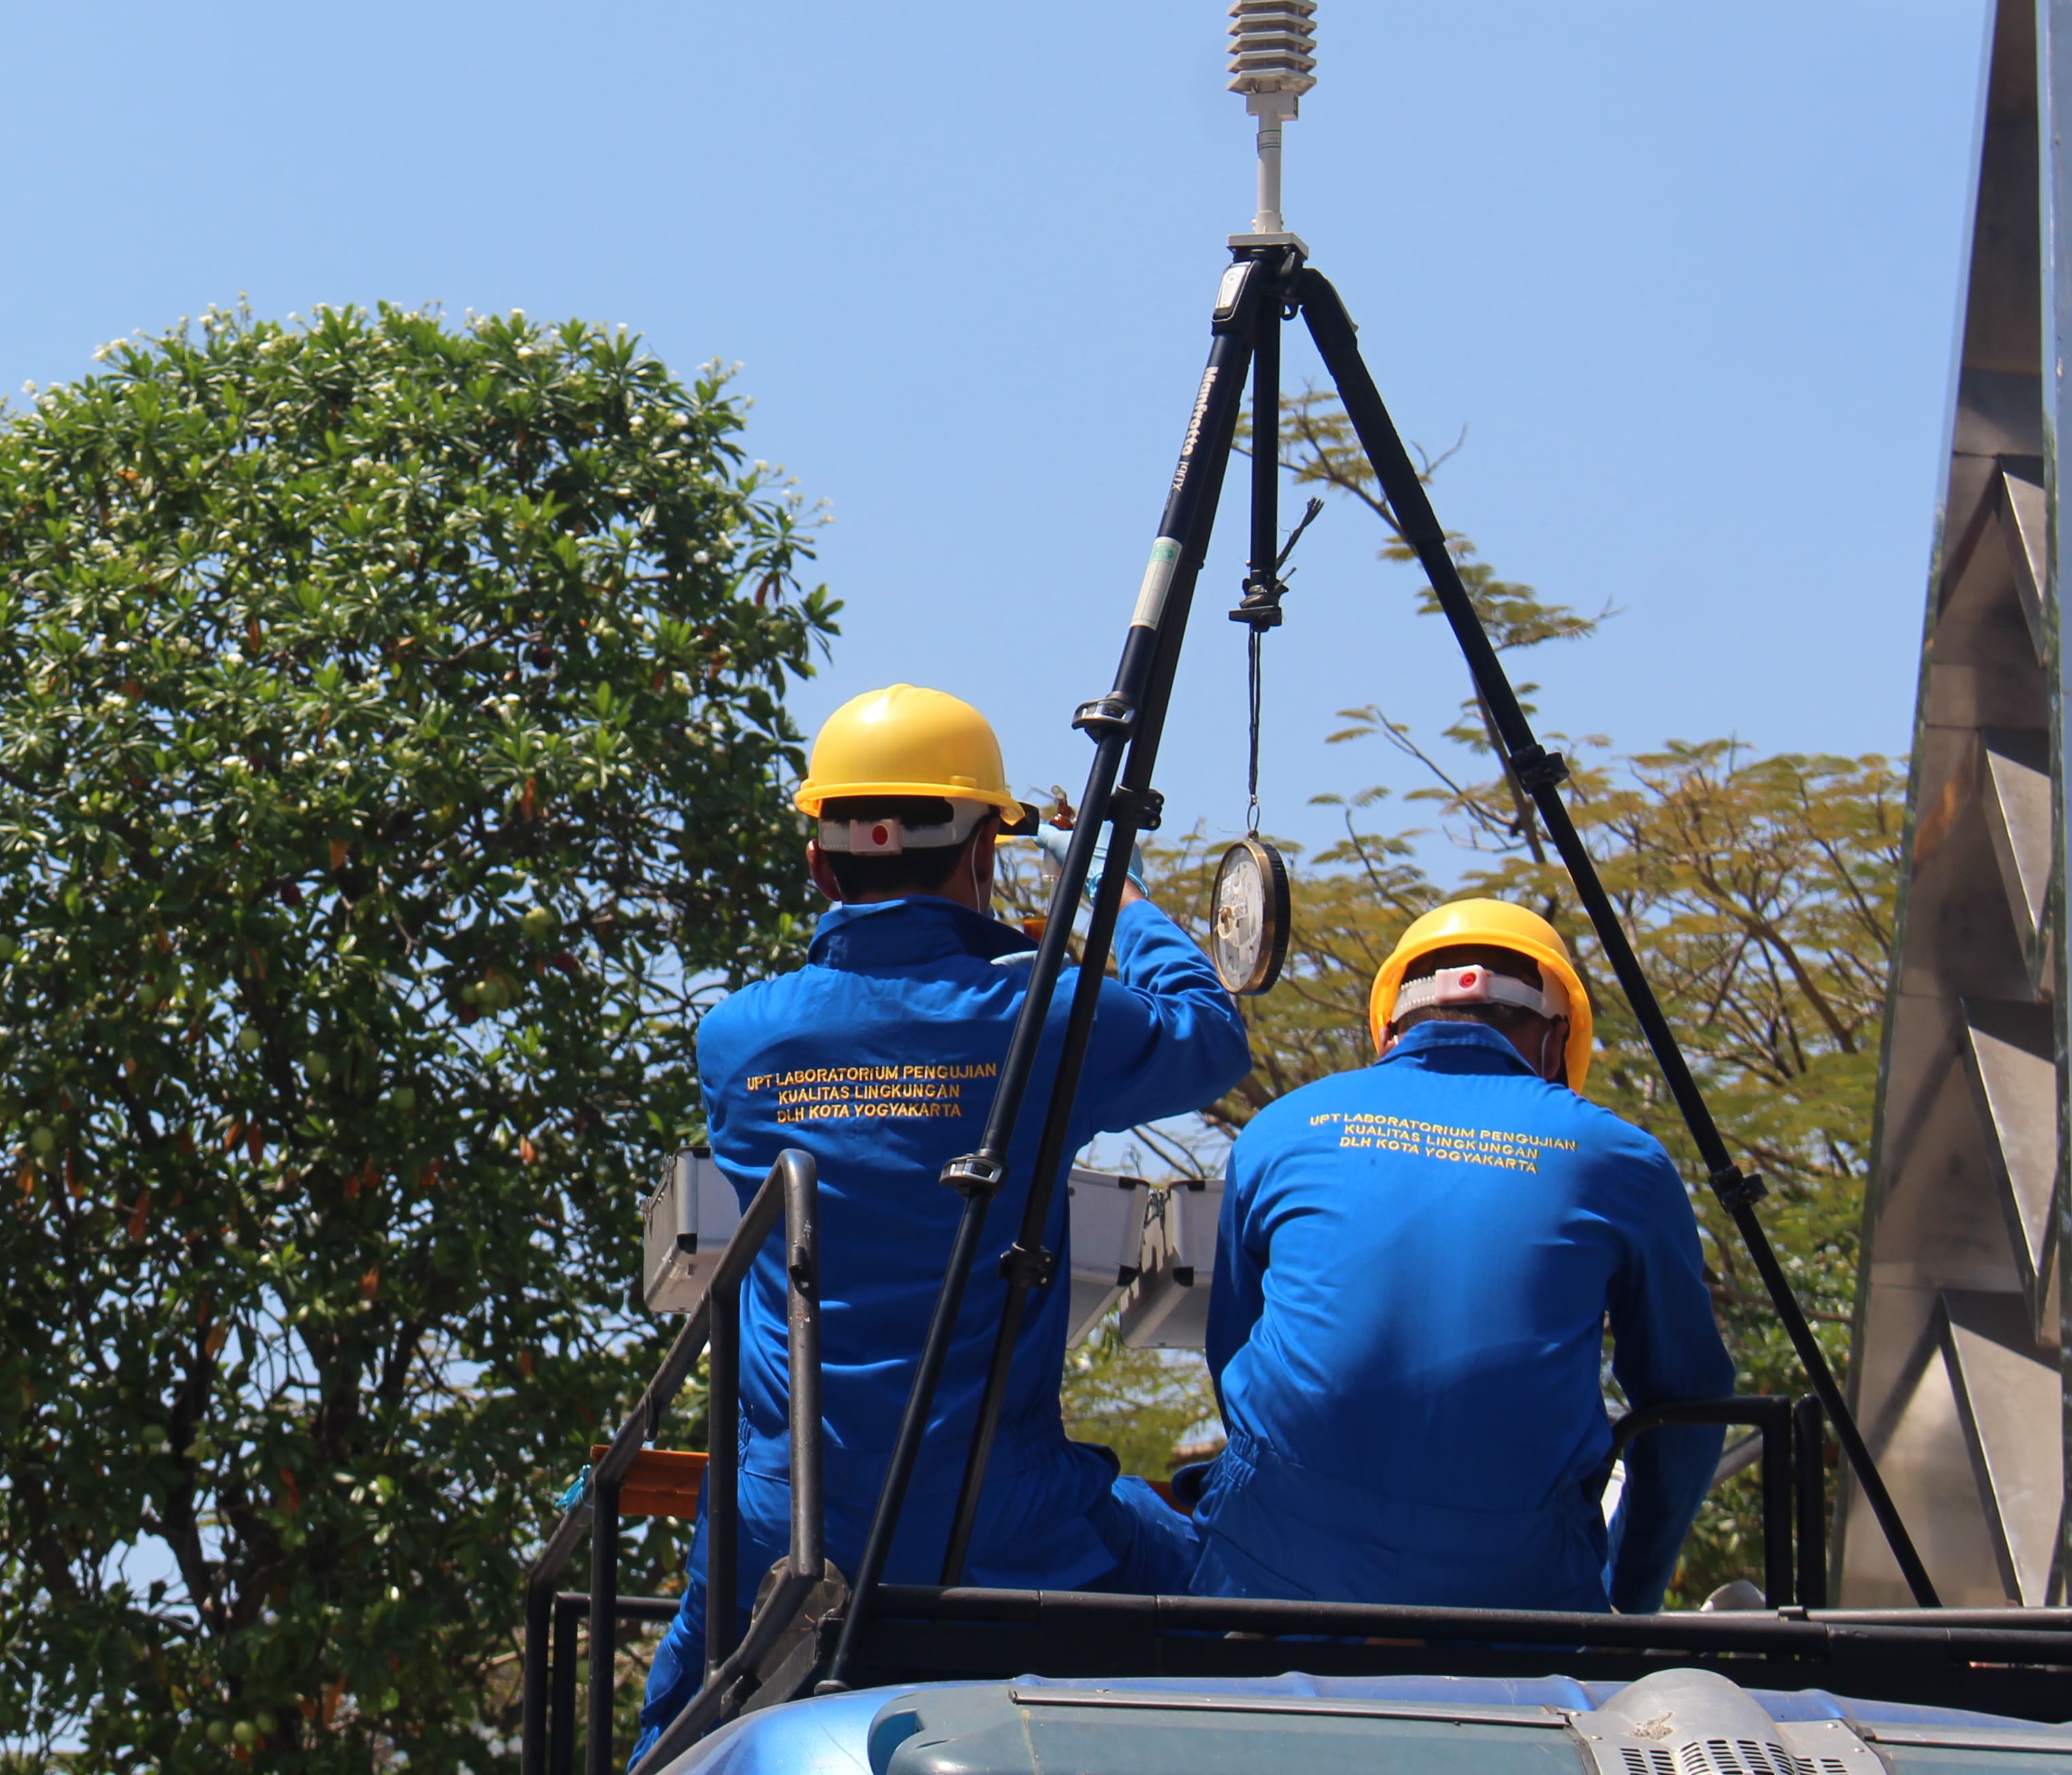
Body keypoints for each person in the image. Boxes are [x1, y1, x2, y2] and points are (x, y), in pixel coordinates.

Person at [635, 683, 1251, 1759]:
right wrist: (1115, 896)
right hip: (998, 1514)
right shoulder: (1046, 1012)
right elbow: (1207, 1036)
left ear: (823, 865)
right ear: (984, 857)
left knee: (672, 1719)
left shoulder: (737, 1040)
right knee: (1235, 1603)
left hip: (789, 1518)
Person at [1187, 897, 1732, 1615]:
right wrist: (1628, 1610)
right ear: (1556, 1038)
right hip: (1521, 1602)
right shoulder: (1619, 1158)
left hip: (1273, 1584)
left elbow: (1233, 1356)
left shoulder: (1280, 1130)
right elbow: (1685, 1411)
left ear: (1390, 1025)